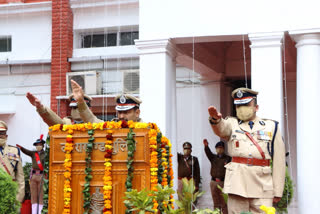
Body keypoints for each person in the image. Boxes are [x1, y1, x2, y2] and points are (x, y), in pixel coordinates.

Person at [208, 88, 286, 214]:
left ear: (256, 107)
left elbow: (279, 162)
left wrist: (277, 190)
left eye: (246, 105)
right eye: (238, 106)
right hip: (237, 186)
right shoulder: (232, 124)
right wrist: (216, 120)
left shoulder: (271, 126)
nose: (241, 108)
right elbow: (221, 129)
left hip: (262, 186)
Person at [70, 79, 142, 122]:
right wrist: (80, 102)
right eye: (119, 112)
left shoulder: (148, 130)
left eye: (126, 112)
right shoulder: (111, 127)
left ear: (137, 113)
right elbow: (92, 120)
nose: (121, 116)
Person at [17, 135, 45, 214]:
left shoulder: (45, 154)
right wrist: (21, 148)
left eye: (39, 145)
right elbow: (26, 151)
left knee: (41, 195)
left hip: (41, 176)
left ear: (42, 145)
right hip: (33, 176)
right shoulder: (33, 153)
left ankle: (40, 212)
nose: (38, 146)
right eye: (37, 145)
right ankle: (34, 212)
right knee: (33, 195)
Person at [26, 92, 92, 126]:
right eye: (73, 107)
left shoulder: (96, 125)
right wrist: (40, 107)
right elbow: (52, 120)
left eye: (80, 107)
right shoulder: (67, 124)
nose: (76, 110)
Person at [203, 139, 231, 214]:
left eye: (221, 148)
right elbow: (208, 153)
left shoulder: (228, 158)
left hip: (223, 182)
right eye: (218, 148)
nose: (219, 149)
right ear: (216, 149)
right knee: (216, 203)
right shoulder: (213, 158)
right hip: (213, 182)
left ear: (224, 149)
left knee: (224, 203)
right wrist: (206, 146)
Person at [0, 121, 25, 203]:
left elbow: (20, 177)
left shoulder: (15, 151)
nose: (0, 135)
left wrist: (18, 199)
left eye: (2, 133)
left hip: (11, 192)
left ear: (6, 136)